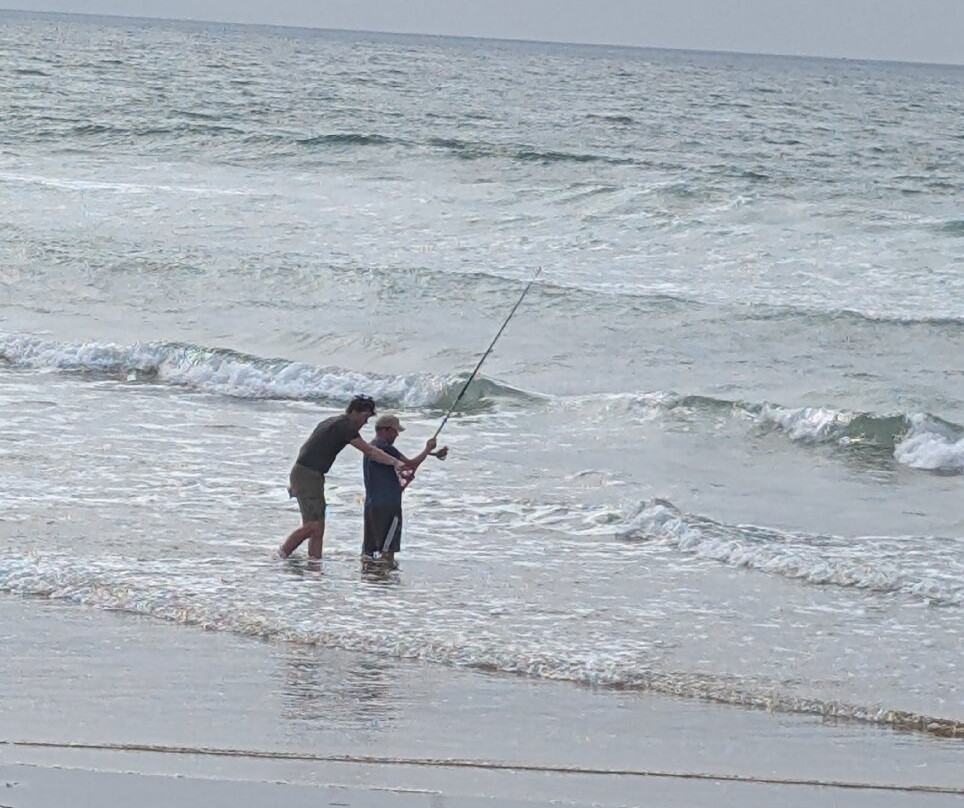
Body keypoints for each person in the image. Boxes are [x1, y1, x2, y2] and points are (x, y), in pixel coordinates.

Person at [279, 395, 410, 560]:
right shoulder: (345, 426)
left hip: (305, 473)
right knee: (314, 526)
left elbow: (307, 446)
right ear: (354, 412)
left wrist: (296, 479)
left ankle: (314, 564)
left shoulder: (331, 421)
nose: (365, 423)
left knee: (317, 528)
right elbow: (369, 451)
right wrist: (395, 462)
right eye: (364, 417)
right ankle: (282, 554)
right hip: (308, 476)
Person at [361, 413, 447, 569]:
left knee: (370, 551)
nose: (397, 435)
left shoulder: (371, 447)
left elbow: (403, 467)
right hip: (388, 506)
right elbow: (410, 465)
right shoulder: (385, 448)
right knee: (388, 551)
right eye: (395, 431)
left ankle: (371, 585)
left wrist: (430, 453)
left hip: (372, 505)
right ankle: (385, 586)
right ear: (386, 430)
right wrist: (428, 448)